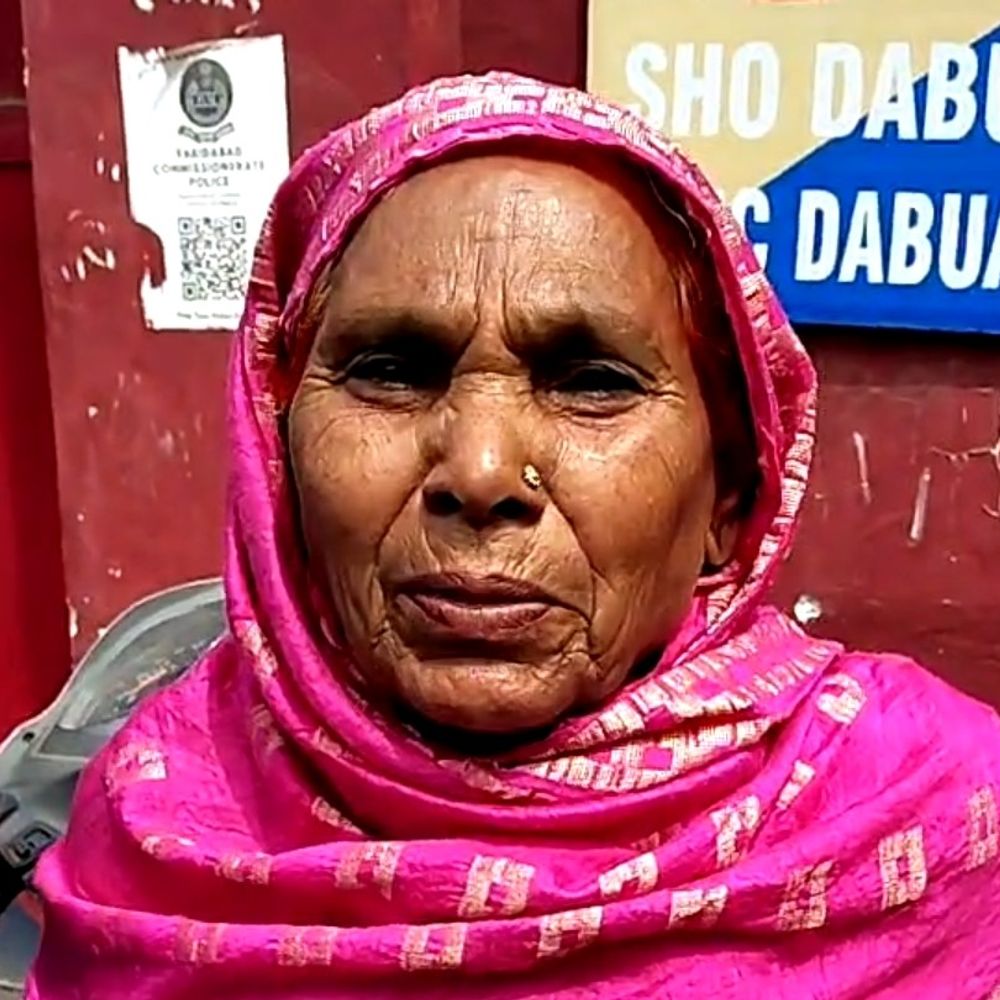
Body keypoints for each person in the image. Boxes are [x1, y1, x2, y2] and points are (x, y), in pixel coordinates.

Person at [27, 73, 1000, 999]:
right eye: (390, 370)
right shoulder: (159, 819)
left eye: (592, 383)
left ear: (729, 501)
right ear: (278, 460)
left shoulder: (928, 807)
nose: (482, 472)